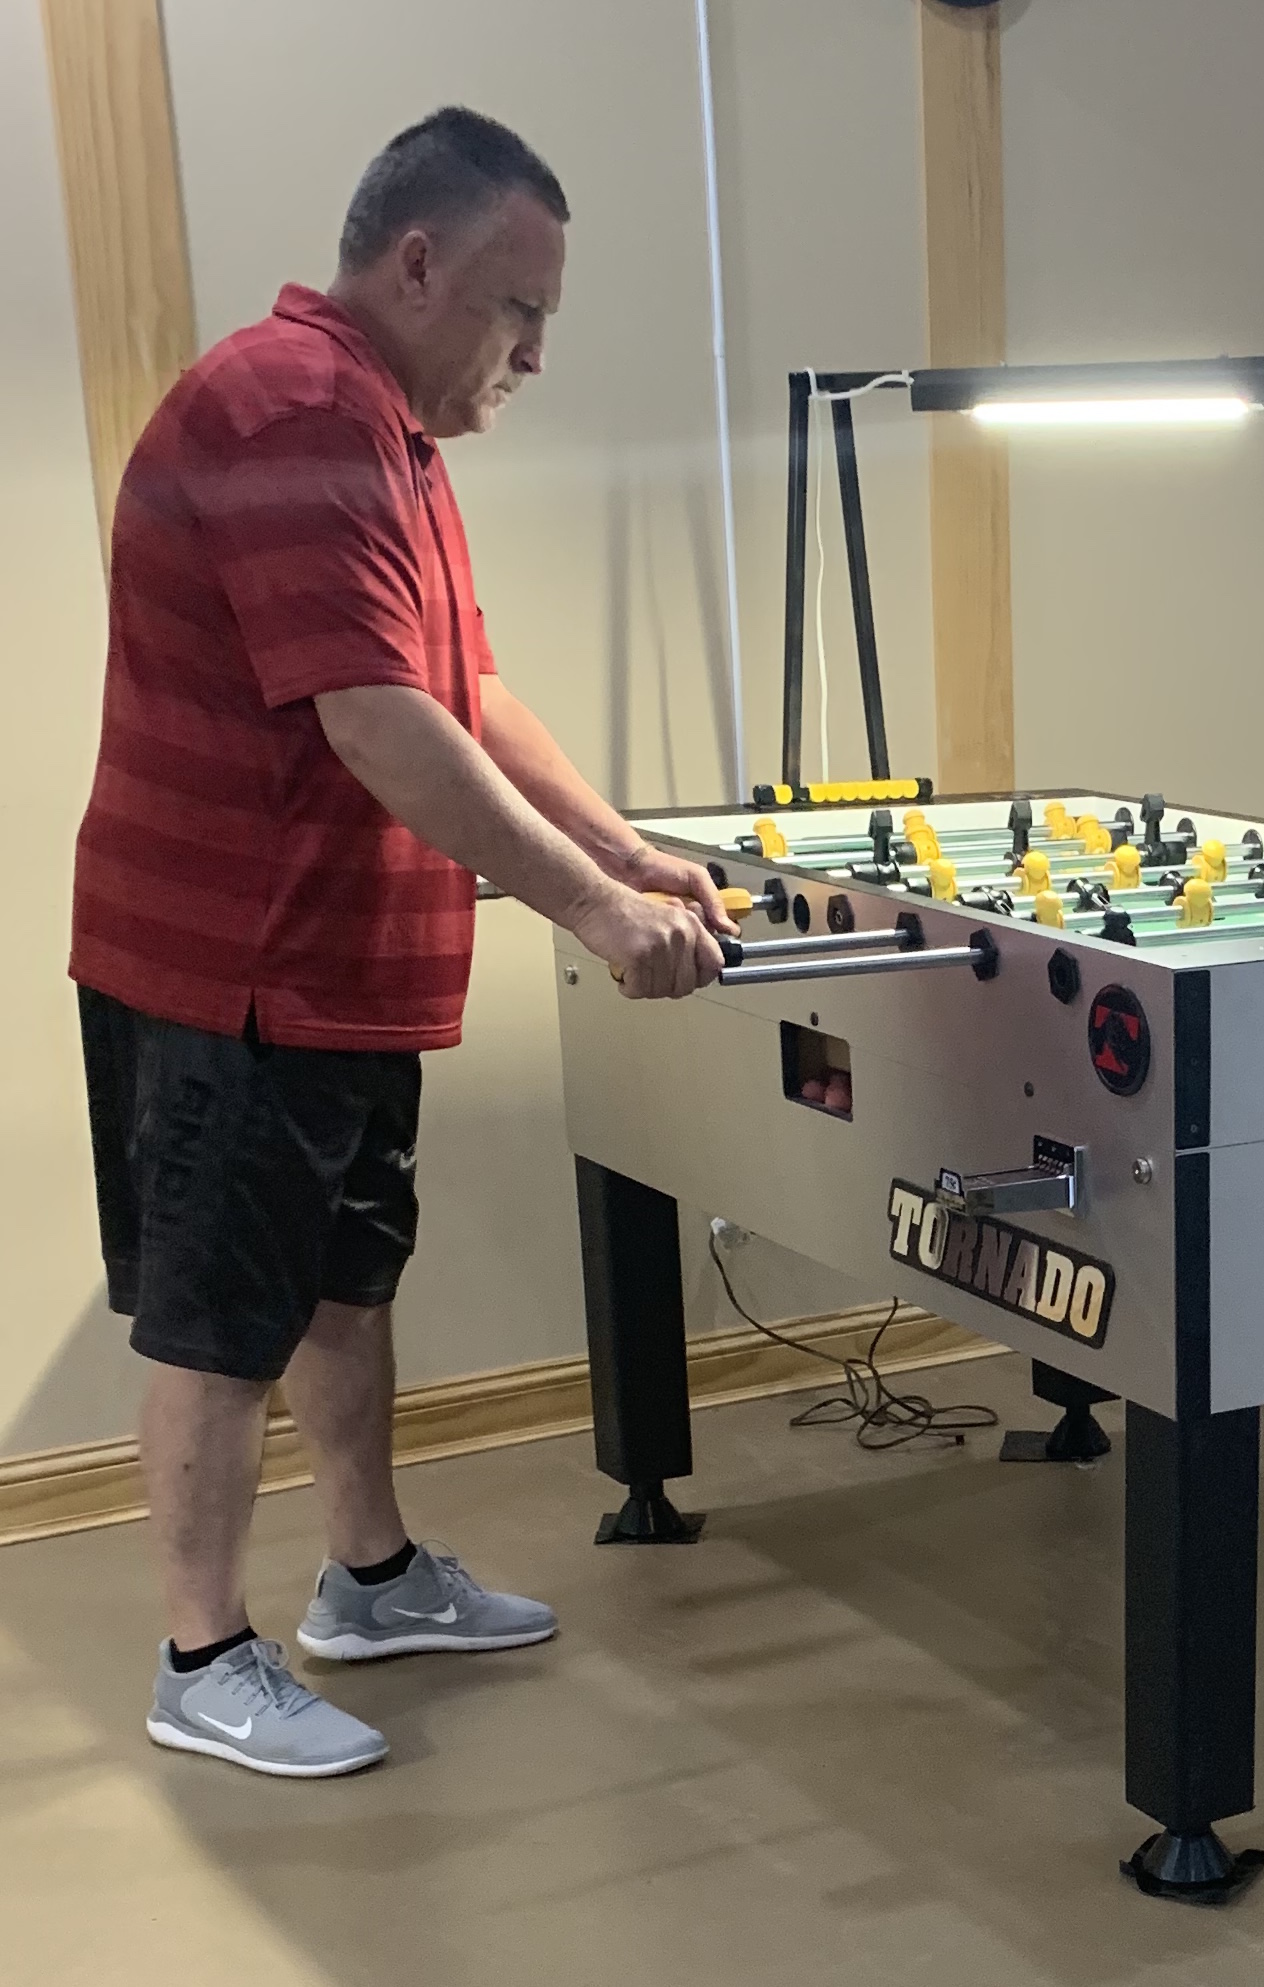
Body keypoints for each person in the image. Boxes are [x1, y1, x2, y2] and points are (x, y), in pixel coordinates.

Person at [70, 107, 735, 1776]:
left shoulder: (391, 439)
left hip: (336, 973)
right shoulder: (292, 409)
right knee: (220, 1327)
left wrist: (626, 849)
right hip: (234, 970)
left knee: (344, 1284)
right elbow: (378, 723)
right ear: (421, 264)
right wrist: (597, 916)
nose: (535, 352)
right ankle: (199, 1657)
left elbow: (464, 691)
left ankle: (367, 1579)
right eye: (523, 309)